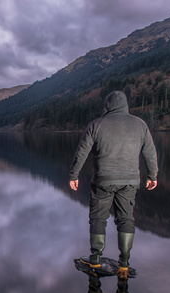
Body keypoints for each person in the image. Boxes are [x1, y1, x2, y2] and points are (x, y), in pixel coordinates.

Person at [69, 91, 158, 275]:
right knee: (126, 219)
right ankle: (124, 263)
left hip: (103, 180)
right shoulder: (140, 125)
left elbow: (81, 153)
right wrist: (152, 175)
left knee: (98, 218)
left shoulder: (96, 125)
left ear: (107, 105)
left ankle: (95, 260)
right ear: (125, 104)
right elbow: (150, 152)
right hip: (130, 181)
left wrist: (74, 175)